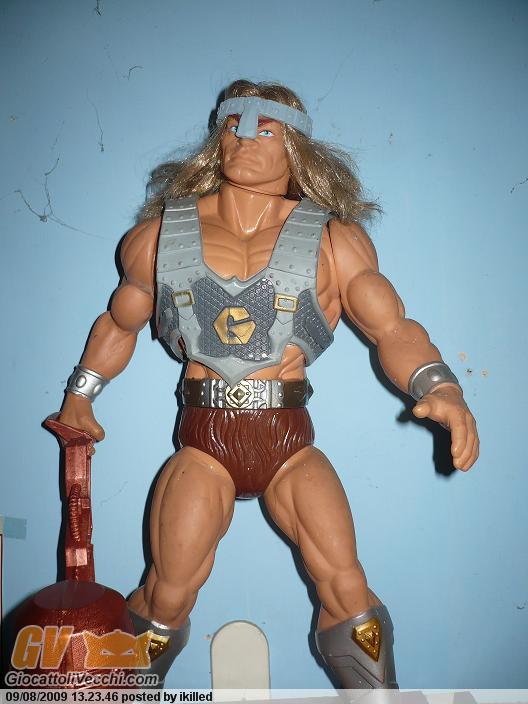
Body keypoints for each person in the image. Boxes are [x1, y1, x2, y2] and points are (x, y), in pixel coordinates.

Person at [58, 80, 479, 689]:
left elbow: (393, 328)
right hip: (204, 441)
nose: (245, 138)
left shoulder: (333, 241)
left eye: (266, 129)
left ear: (295, 146)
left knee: (348, 590)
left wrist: (440, 386)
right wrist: (81, 395)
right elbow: (120, 322)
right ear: (217, 137)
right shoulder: (161, 236)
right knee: (166, 597)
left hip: (288, 440)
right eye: (233, 126)